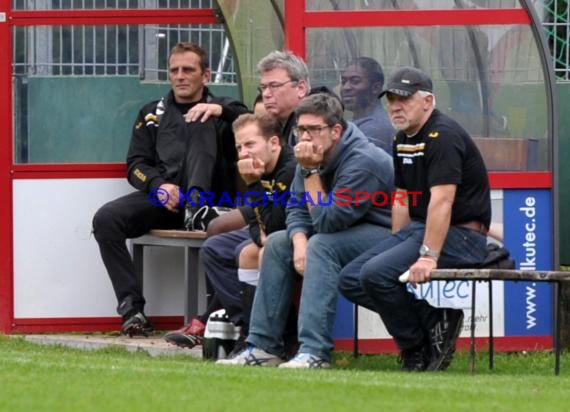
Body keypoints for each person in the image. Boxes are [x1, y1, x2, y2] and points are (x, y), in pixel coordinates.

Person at [217, 92, 394, 368]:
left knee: (322, 244)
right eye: (300, 129)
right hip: (342, 230)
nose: (305, 137)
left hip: (387, 234)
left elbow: (326, 222)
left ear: (335, 131)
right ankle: (263, 347)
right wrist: (298, 242)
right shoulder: (311, 153)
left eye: (313, 129)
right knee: (276, 243)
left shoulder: (363, 160)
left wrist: (311, 172)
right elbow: (297, 209)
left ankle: (313, 351)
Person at [338, 67, 492, 372]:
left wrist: (428, 257)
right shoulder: (402, 138)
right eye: (392, 99)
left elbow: (442, 201)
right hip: (421, 230)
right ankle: (434, 322)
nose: (396, 106)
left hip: (461, 237)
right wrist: (395, 242)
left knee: (374, 275)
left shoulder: (442, 135)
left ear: (428, 101)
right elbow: (402, 197)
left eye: (404, 99)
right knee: (350, 279)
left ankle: (415, 349)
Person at [92, 42, 248, 336]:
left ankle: (215, 319)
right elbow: (136, 164)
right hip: (165, 201)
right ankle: (131, 309)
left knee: (203, 121)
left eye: (188, 69)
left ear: (205, 75)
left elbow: (251, 120)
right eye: (174, 70)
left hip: (214, 207)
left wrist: (219, 110)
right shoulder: (151, 113)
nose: (180, 76)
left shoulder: (222, 110)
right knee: (106, 219)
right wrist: (158, 186)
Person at [162, 50, 310, 349]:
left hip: (303, 218)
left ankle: (249, 328)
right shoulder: (275, 122)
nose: (267, 94)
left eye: (274, 87)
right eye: (263, 88)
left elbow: (295, 204)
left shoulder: (310, 122)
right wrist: (158, 184)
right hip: (272, 205)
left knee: (244, 245)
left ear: (301, 88)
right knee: (217, 235)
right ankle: (244, 325)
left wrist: (217, 108)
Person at [340, 57, 394, 153]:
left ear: (376, 88)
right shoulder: (355, 121)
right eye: (343, 82)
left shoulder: (376, 127)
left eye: (355, 81)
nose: (346, 87)